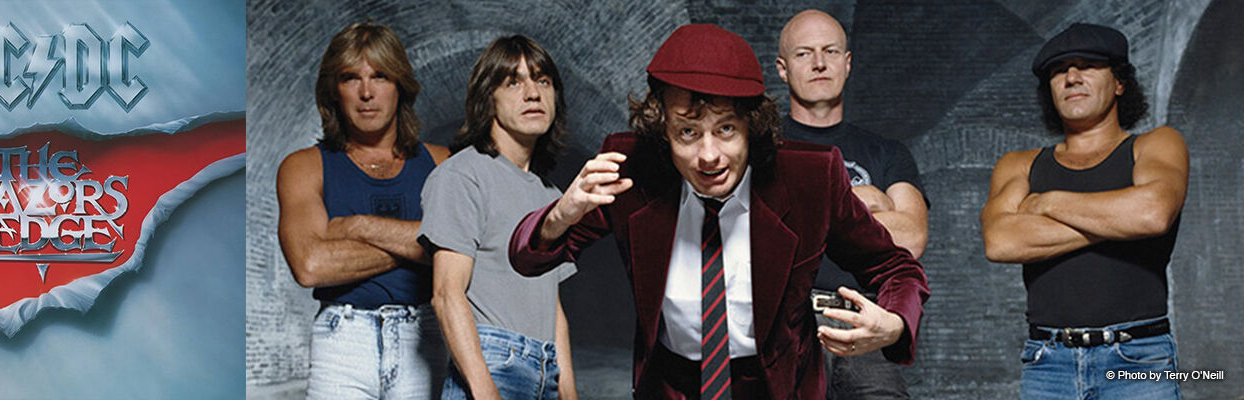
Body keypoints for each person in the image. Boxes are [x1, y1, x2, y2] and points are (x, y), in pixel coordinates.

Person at [509, 24, 929, 399]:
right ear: (663, 131)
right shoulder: (629, 171)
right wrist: (560, 214)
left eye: (726, 129)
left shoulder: (810, 179)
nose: (708, 155)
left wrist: (895, 322)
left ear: (752, 125)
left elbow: (897, 267)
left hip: (778, 387)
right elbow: (527, 260)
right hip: (671, 384)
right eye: (687, 132)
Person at [980, 23, 1188, 400]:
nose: (1072, 77)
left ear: (1119, 82)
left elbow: (1151, 214)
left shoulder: (1156, 144)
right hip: (1047, 362)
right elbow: (1001, 242)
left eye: (1087, 65)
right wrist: (1117, 220)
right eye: (1059, 70)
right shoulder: (1019, 164)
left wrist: (1046, 203)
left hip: (1139, 359)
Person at [276, 22, 451, 399]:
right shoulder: (304, 166)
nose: (367, 92)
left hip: (425, 336)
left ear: (401, 85)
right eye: (351, 78)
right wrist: (422, 244)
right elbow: (310, 266)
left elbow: (462, 248)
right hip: (343, 342)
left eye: (380, 76)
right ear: (334, 90)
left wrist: (356, 226)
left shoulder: (442, 163)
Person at [773, 10, 928, 399]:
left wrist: (807, 205)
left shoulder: (887, 152)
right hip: (783, 325)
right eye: (804, 53)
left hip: (866, 322)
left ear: (847, 63)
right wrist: (867, 200)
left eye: (830, 51)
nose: (819, 63)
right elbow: (762, 231)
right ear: (782, 69)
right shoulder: (762, 147)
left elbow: (911, 238)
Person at [418, 34, 578, 400]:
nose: (533, 93)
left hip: (546, 368)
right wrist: (485, 391)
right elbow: (446, 294)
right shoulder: (462, 175)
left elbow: (552, 307)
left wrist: (569, 392)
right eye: (513, 82)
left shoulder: (552, 196)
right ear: (488, 98)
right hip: (493, 363)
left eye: (543, 81)